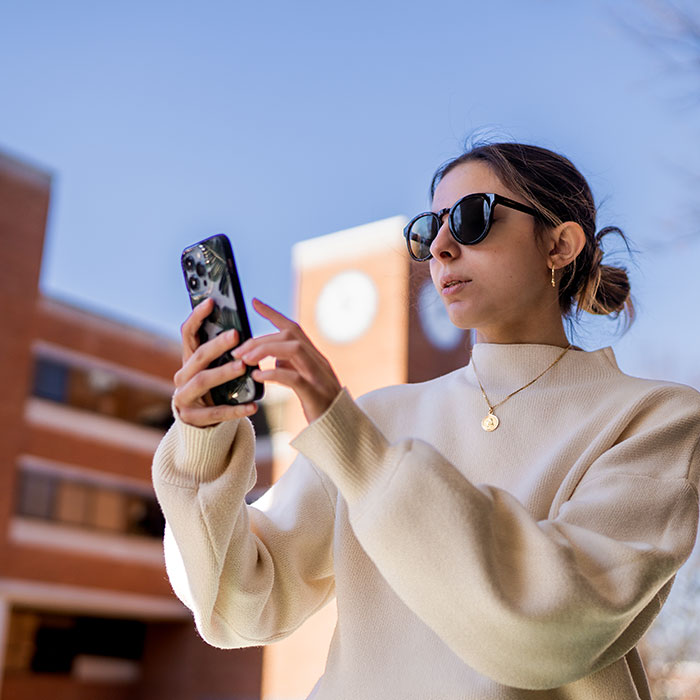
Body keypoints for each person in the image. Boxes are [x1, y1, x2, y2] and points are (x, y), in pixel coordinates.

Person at [152, 140, 700, 699]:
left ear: (560, 244)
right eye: (425, 230)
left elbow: (552, 626)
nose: (439, 248)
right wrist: (204, 443)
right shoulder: (377, 417)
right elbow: (241, 603)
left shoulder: (657, 417)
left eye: (470, 219)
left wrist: (360, 456)